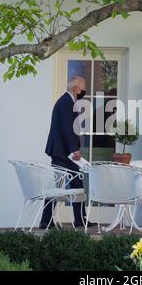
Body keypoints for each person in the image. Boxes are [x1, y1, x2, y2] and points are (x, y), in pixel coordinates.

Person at [41, 76, 95, 229]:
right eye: (83, 86)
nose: (84, 90)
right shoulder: (66, 102)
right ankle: (46, 220)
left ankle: (79, 219)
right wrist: (74, 149)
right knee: (58, 186)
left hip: (63, 153)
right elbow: (67, 128)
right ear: (76, 88)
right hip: (62, 153)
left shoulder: (66, 101)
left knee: (74, 183)